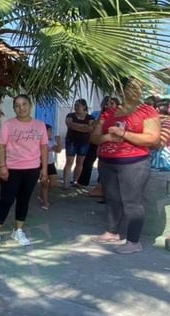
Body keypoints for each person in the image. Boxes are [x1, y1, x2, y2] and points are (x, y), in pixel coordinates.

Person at [90, 78, 161, 254]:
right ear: (121, 90)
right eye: (130, 87)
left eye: (139, 86)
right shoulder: (110, 112)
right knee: (112, 199)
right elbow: (94, 137)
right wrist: (106, 138)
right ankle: (112, 232)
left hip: (134, 163)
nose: (135, 90)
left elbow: (153, 139)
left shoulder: (147, 111)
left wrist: (124, 134)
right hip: (108, 161)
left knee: (132, 202)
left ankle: (133, 241)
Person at [0, 95, 48, 247]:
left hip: (32, 169)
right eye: (17, 105)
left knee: (24, 200)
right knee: (6, 200)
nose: (21, 108)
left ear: (30, 105)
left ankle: (18, 231)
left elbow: (44, 147)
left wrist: (44, 169)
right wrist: (2, 166)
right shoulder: (8, 125)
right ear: (13, 108)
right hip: (12, 169)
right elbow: (1, 146)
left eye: (24, 104)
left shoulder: (39, 125)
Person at [81, 96, 119, 194]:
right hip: (96, 139)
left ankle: (100, 186)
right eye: (106, 103)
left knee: (103, 165)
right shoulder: (97, 114)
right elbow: (92, 126)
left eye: (111, 103)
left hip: (108, 143)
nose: (108, 105)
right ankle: (83, 182)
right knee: (88, 161)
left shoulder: (118, 116)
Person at [62, 99, 93, 188]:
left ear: (84, 107)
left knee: (80, 162)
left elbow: (91, 128)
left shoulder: (90, 117)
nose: (76, 107)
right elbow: (70, 124)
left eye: (78, 105)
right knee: (69, 162)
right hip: (71, 141)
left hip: (84, 142)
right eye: (75, 105)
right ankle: (65, 183)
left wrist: (76, 126)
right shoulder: (70, 115)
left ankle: (75, 181)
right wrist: (83, 127)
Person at [38, 124, 62, 210]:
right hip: (41, 164)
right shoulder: (38, 142)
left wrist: (59, 141)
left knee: (53, 183)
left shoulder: (51, 141)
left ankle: (41, 195)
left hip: (50, 164)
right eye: (49, 131)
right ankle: (45, 202)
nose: (51, 133)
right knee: (45, 184)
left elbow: (58, 150)